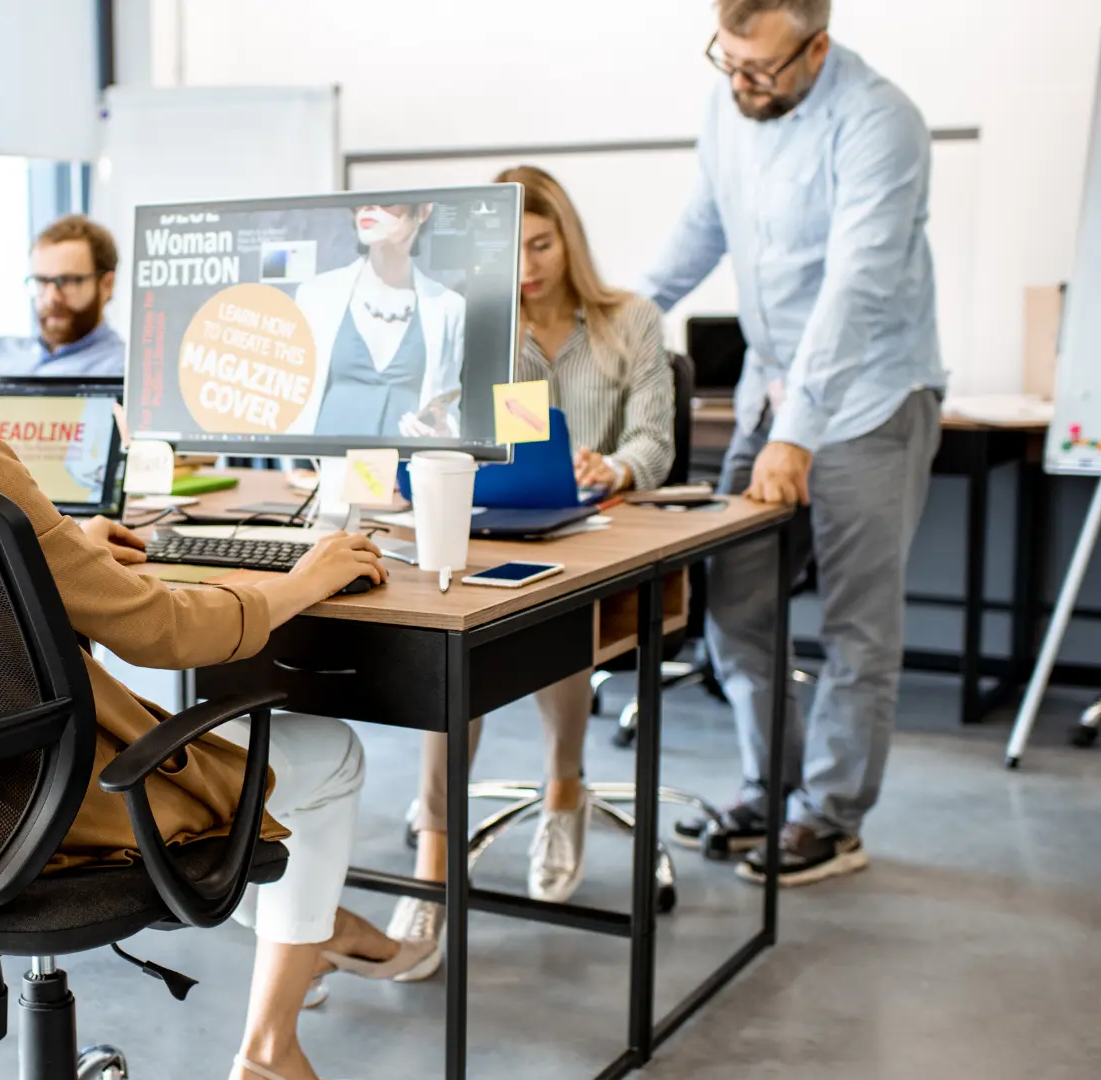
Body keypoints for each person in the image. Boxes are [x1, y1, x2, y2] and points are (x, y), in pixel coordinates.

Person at [0, 139, 434, 1080]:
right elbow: (164, 629)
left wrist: (51, 566)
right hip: (46, 805)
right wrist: (303, 579)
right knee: (333, 758)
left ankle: (314, 942)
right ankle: (272, 1046)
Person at [645, 0, 944, 886]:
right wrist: (613, 317)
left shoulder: (878, 121)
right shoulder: (729, 105)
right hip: (769, 398)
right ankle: (768, 789)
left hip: (868, 399)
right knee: (737, 607)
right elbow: (703, 229)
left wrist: (798, 433)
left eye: (762, 69)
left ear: (817, 47)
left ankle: (832, 817)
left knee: (857, 626)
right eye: (727, 61)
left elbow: (857, 286)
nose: (741, 83)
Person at [387, 166, 676, 971]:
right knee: (457, 644)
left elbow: (656, 441)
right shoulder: (479, 326)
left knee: (553, 619)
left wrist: (613, 468)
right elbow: (441, 430)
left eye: (542, 244)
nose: (527, 268)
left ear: (568, 237)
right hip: (500, 524)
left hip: (602, 536)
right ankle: (433, 867)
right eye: (510, 252)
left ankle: (563, 789)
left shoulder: (631, 321)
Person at [292, 204, 466, 438]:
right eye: (360, 200)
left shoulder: (447, 307)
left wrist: (442, 431)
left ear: (423, 211)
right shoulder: (316, 295)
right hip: (328, 465)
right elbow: (292, 397)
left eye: (388, 201)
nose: (369, 207)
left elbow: (448, 406)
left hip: (402, 467)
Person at [0, 214, 125, 376]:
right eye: (41, 281)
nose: (51, 298)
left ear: (106, 285)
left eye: (68, 281)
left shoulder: (125, 372)